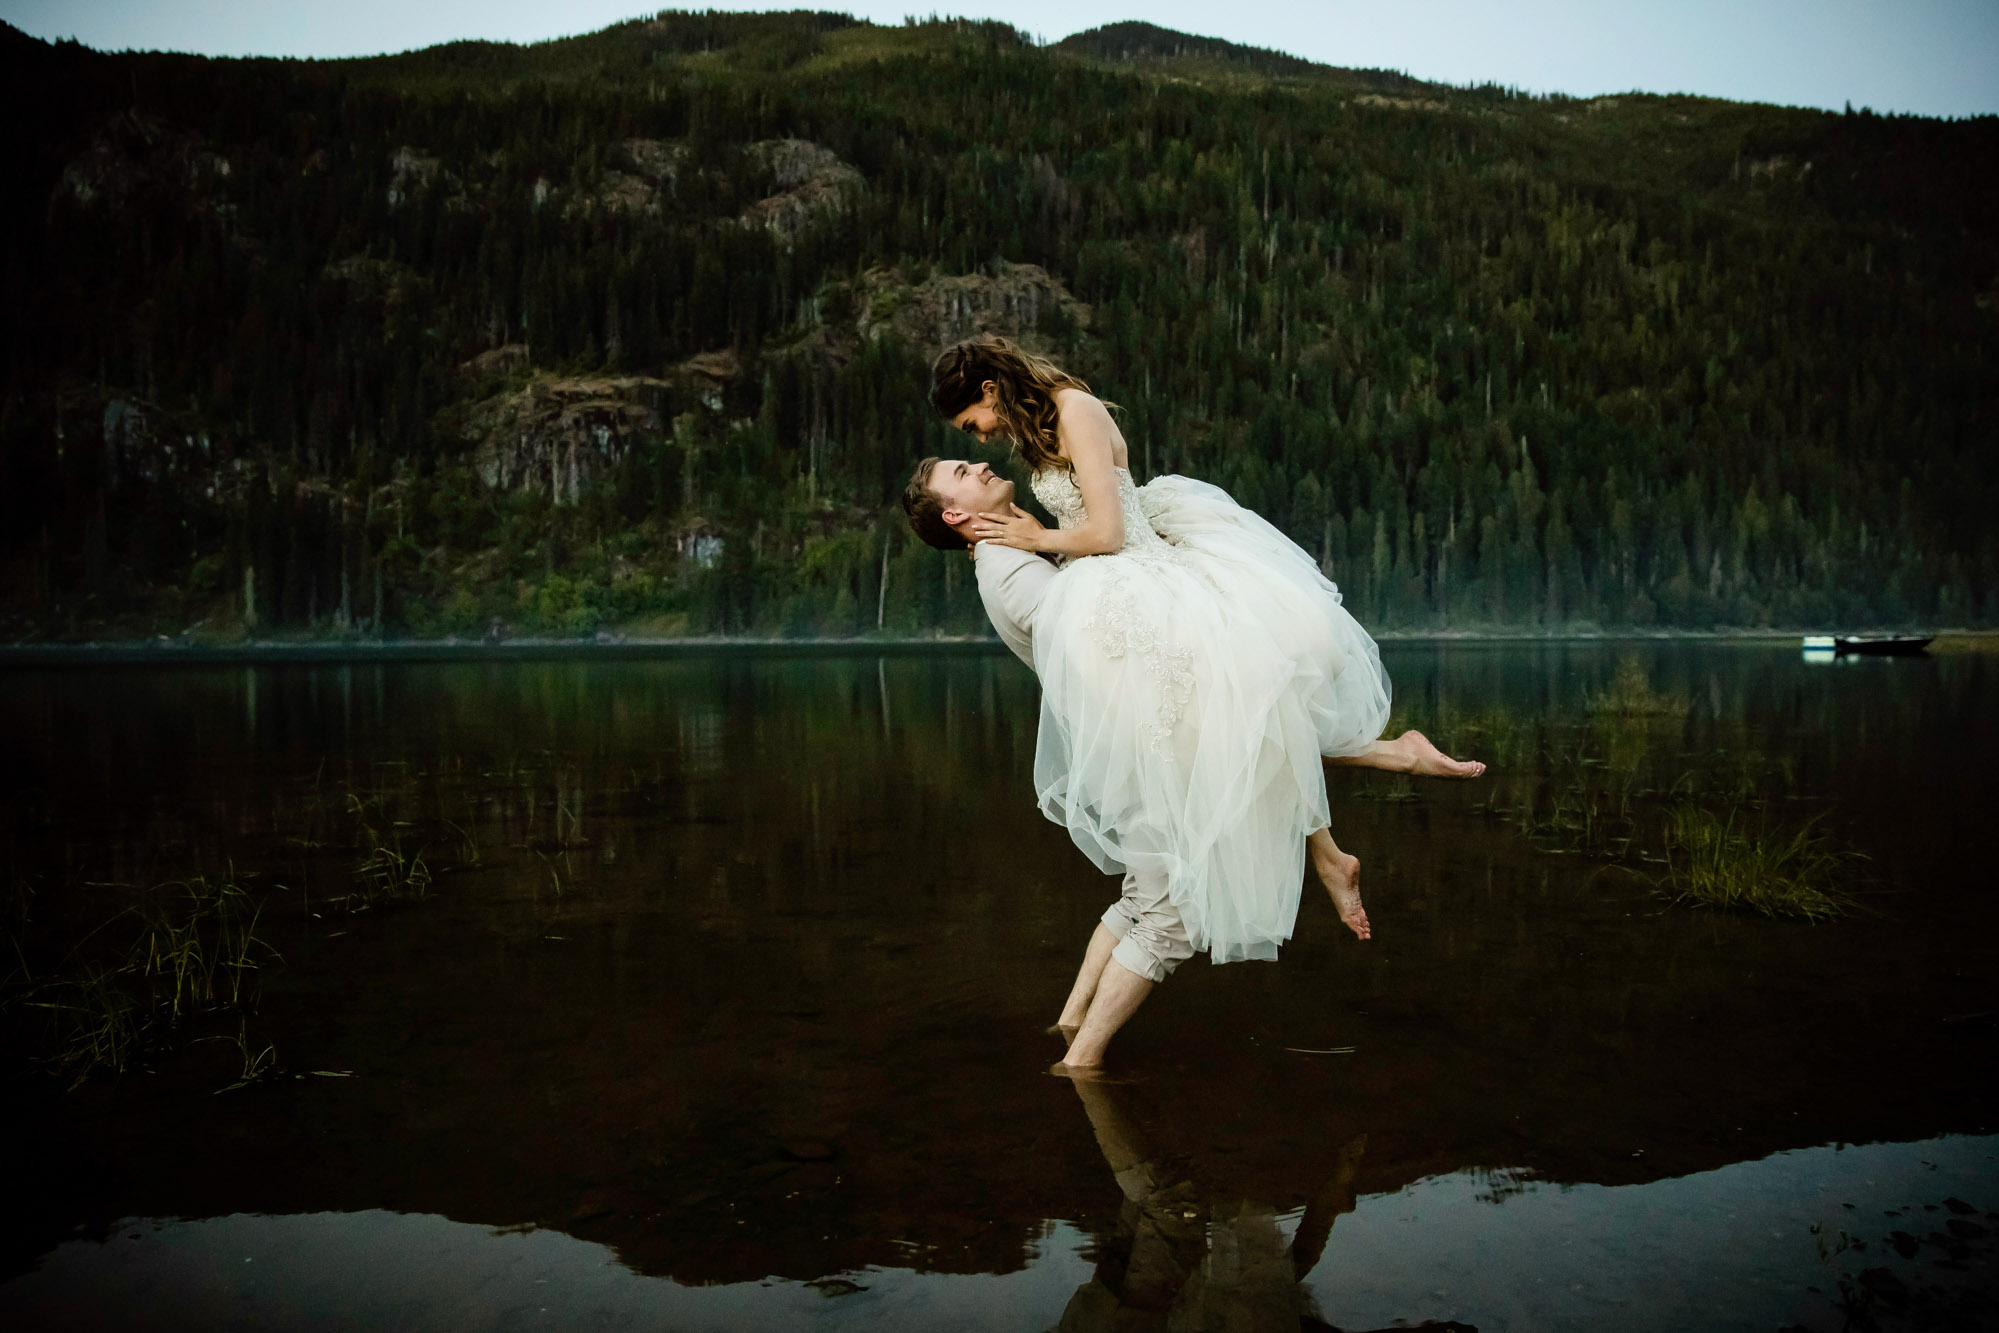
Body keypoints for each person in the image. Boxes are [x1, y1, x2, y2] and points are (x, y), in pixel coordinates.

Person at [902, 339, 1483, 1068]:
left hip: (1149, 579)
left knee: (1241, 716)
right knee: (1240, 721)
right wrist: (1041, 542)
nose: (980, 440)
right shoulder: (1037, 440)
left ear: (991, 387)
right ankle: (1370, 794)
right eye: (966, 447)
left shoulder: (1072, 410)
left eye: (971, 424)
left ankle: (1364, 805)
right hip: (1132, 589)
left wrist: (1041, 536)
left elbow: (1107, 531)